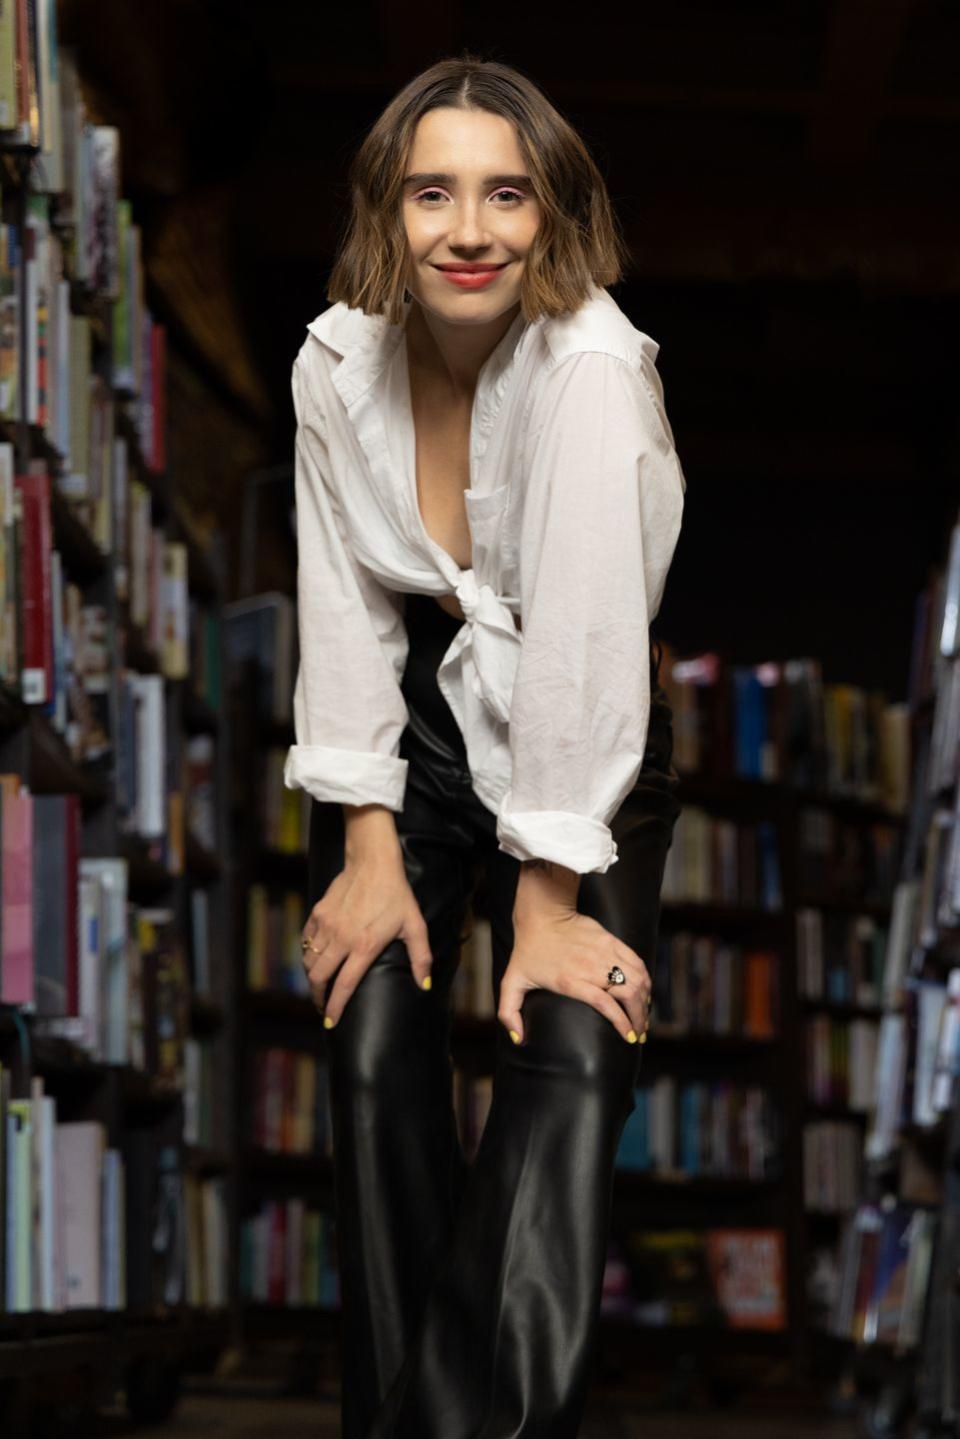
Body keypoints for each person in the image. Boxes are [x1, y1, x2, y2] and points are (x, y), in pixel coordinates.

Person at [283, 51, 687, 1439]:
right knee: (368, 1021)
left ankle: (477, 1426)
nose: (469, 230)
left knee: (572, 1050)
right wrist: (367, 845)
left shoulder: (592, 374)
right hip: (416, 730)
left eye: (507, 194)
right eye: (431, 194)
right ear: (385, 215)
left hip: (594, 741)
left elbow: (582, 645)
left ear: (554, 210)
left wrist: (550, 904)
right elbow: (341, 597)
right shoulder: (334, 362)